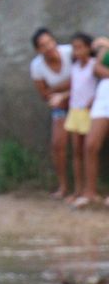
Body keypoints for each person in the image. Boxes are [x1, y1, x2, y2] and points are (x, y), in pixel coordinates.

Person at [29, 27, 72, 198]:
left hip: (83, 102)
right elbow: (44, 95)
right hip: (60, 107)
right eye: (43, 45)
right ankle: (63, 186)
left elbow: (83, 77)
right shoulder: (37, 66)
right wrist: (66, 89)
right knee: (57, 145)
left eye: (50, 42)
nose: (49, 46)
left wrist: (57, 89)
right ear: (38, 50)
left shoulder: (69, 52)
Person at [65, 33, 97, 206]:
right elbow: (73, 88)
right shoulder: (75, 67)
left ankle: (88, 190)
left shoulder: (94, 65)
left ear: (89, 48)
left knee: (87, 150)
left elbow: (99, 85)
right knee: (76, 152)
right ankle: (78, 190)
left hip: (88, 112)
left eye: (80, 47)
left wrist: (91, 102)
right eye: (74, 48)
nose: (77, 52)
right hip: (74, 111)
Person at [80, 35, 109, 206]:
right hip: (104, 96)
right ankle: (90, 193)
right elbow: (96, 69)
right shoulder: (106, 44)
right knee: (91, 145)